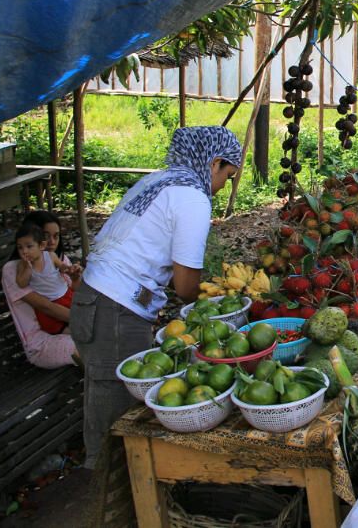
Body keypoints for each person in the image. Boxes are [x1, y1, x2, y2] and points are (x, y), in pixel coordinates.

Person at [71, 125, 242, 469]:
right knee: (119, 412)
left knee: (102, 393)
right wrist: (209, 300)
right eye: (228, 174)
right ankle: (107, 494)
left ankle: (106, 484)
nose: (224, 186)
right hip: (115, 309)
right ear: (214, 163)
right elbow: (184, 286)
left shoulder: (158, 181)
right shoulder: (192, 196)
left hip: (94, 298)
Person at [1, 211, 82, 368]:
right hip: (41, 342)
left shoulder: (57, 258)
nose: (51, 242)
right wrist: (86, 320)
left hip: (69, 322)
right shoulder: (13, 269)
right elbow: (47, 307)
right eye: (46, 236)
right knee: (92, 345)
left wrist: (75, 277)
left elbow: (77, 290)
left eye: (56, 236)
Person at [14, 221, 81, 334]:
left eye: (29, 246)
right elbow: (21, 283)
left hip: (64, 294)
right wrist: (27, 269)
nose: (24, 251)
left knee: (77, 310)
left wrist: (70, 269)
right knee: (51, 325)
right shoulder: (22, 265)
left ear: (41, 246)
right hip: (49, 302)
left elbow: (62, 267)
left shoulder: (50, 256)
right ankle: (69, 332)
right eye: (20, 248)